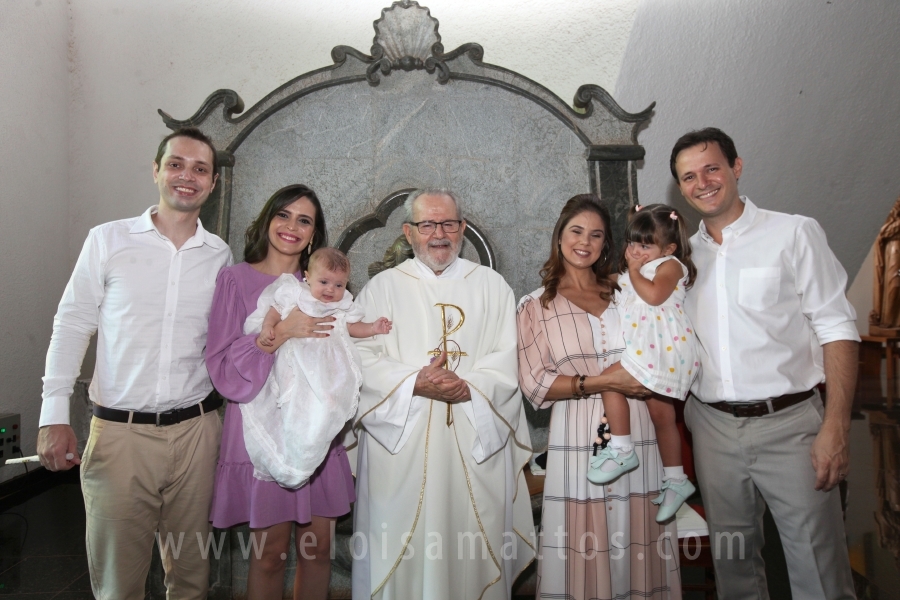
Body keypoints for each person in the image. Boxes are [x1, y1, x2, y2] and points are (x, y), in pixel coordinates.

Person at [37, 127, 232, 599]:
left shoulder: (219, 255)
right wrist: (53, 415)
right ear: (156, 170)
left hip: (196, 434)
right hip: (120, 436)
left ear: (212, 183)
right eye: (176, 164)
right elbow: (71, 324)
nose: (187, 176)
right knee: (118, 584)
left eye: (200, 169)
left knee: (191, 579)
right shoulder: (108, 240)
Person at [672, 127, 859, 599]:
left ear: (736, 167)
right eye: (689, 176)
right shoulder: (682, 259)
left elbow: (837, 328)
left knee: (819, 567)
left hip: (792, 424)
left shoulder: (793, 232)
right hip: (712, 428)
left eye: (712, 168)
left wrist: (835, 425)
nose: (703, 182)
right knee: (733, 567)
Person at [351, 189, 536, 600]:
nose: (439, 234)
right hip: (401, 452)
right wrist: (413, 382)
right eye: (427, 224)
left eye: (448, 223)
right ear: (408, 231)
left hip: (474, 444)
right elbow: (357, 360)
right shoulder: (382, 289)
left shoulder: (492, 286)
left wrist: (471, 386)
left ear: (463, 229)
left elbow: (510, 358)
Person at [517, 195, 681, 600]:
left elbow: (664, 336)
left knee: (639, 533)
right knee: (582, 540)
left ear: (607, 244)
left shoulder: (626, 291)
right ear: (560, 236)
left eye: (596, 235)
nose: (584, 242)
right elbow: (535, 383)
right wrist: (603, 384)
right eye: (576, 231)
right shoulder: (536, 305)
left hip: (640, 427)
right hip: (576, 435)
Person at [206, 185, 354, 600]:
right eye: (283, 215)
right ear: (267, 219)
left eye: (304, 220)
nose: (292, 226)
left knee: (319, 548)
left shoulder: (324, 284)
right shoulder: (235, 280)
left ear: (314, 233)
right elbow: (220, 362)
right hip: (261, 428)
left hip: (313, 427)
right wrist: (282, 332)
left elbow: (345, 343)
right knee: (269, 554)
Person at [586, 203, 700, 522]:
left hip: (663, 350)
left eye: (645, 245)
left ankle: (622, 449)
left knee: (610, 380)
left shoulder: (670, 266)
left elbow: (653, 296)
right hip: (649, 350)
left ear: (669, 247)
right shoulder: (631, 273)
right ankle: (677, 480)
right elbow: (611, 286)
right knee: (662, 416)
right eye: (633, 243)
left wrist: (634, 271)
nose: (636, 251)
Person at [243, 247, 391, 489]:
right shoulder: (295, 293)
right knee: (294, 402)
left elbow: (353, 328)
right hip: (298, 361)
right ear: (307, 277)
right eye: (324, 282)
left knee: (328, 407)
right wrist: (269, 327)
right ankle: (292, 455)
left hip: (328, 367)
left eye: (339, 285)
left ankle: (310, 447)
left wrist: (373, 328)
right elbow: (275, 310)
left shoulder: (342, 305)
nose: (330, 290)